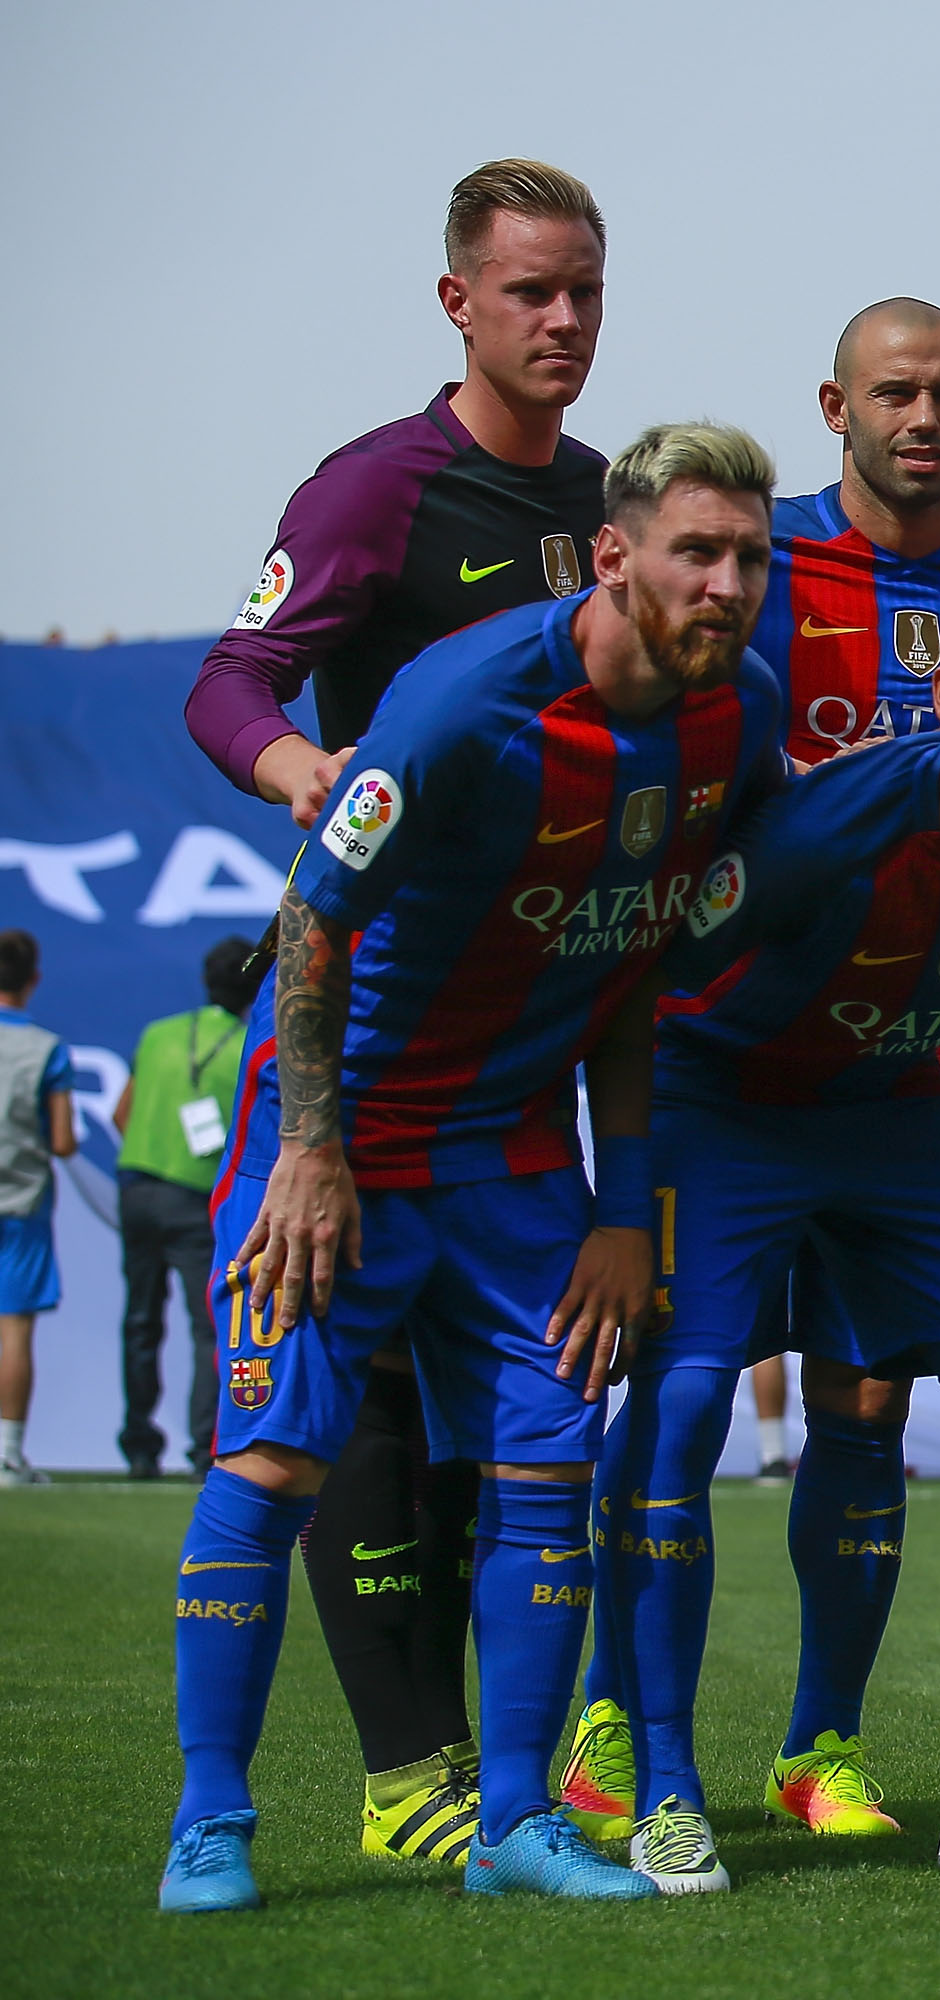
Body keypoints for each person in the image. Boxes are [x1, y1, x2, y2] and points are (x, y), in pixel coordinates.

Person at [154, 420, 786, 1914]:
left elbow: (636, 968)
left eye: (753, 558)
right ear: (617, 556)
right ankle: (209, 1821)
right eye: (699, 552)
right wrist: (310, 1150)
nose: (730, 584)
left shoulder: (739, 715)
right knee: (277, 1458)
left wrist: (625, 1207)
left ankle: (516, 1826)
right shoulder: (462, 700)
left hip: (514, 1158)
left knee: (544, 1472)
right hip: (340, 1141)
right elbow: (312, 919)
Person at [589, 565, 940, 1891]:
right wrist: (624, 1204)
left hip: (893, 1114)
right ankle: (665, 1792)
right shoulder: (831, 827)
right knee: (679, 1410)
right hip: (722, 1101)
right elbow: (639, 974)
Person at [181, 158, 613, 1867]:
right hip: (361, 1018)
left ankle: (476, 1787)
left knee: (504, 1447)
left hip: (517, 1050)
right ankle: (388, 1776)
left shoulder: (600, 500)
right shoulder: (378, 489)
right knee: (336, 1423)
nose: (564, 319)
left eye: (584, 288)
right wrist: (309, 772)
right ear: (459, 302)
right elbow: (228, 679)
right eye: (529, 292)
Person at [557, 296, 940, 1843]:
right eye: (897, 391)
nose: (927, 418)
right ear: (838, 406)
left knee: (867, 1403)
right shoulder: (760, 570)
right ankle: (622, 1720)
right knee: (674, 1394)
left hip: (903, 1076)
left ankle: (820, 1747)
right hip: (722, 1064)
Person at [111, 938, 259, 1479]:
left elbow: (120, 1113)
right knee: (209, 1328)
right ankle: (204, 1448)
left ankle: (139, 1447)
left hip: (137, 1187)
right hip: (197, 1198)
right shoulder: (250, 1044)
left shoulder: (159, 1033)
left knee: (140, 1322)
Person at [0, 930, 77, 1488]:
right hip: (20, 1203)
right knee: (14, 1329)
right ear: (33, 980)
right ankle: (5, 1455)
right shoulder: (47, 1048)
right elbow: (64, 1141)